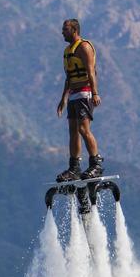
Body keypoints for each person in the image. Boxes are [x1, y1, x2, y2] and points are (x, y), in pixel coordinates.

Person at [56, 18, 104, 182]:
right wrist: (64, 98)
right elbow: (68, 77)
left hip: (85, 92)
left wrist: (95, 93)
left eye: (65, 29)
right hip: (74, 93)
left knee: (84, 129)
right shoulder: (68, 50)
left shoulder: (84, 47)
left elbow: (91, 72)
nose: (62, 32)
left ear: (74, 30)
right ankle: (74, 167)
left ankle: (96, 163)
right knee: (73, 130)